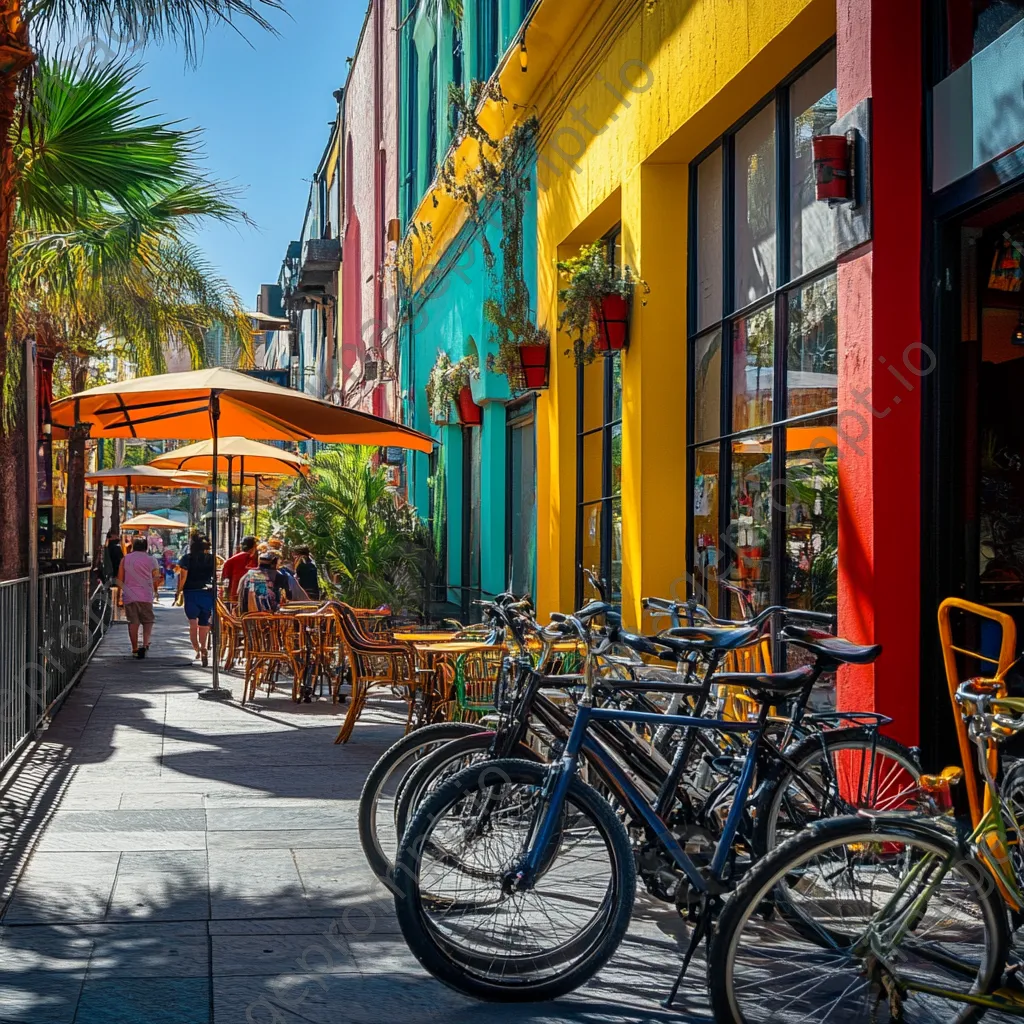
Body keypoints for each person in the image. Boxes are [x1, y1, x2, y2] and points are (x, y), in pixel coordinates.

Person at [117, 537, 162, 659]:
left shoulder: (125, 559)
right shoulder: (152, 560)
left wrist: (118, 596)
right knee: (148, 620)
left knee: (133, 622)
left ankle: (135, 648)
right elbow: (157, 577)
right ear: (146, 547)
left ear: (133, 547)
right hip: (146, 595)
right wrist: (153, 588)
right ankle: (146, 643)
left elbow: (120, 579)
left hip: (129, 595)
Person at [176, 531, 216, 666]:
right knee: (204, 623)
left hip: (191, 592)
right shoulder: (212, 558)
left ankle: (197, 649)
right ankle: (204, 647)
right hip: (207, 592)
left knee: (193, 623)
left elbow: (183, 577)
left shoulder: (187, 558)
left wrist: (178, 591)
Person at [220, 536, 258, 602]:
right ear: (254, 546)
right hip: (248, 594)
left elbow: (225, 577)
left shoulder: (234, 558)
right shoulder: (252, 558)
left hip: (234, 593)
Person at [103, 529, 125, 620]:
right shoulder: (115, 547)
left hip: (110, 573)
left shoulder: (107, 547)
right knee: (115, 591)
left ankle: (113, 609)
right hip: (114, 573)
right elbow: (119, 561)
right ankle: (115, 607)